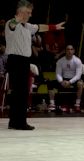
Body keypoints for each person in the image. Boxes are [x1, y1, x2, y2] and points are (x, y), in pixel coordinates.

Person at [5, 0, 65, 130]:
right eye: (28, 12)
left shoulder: (28, 26)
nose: (30, 15)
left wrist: (55, 27)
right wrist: (18, 18)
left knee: (20, 92)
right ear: (21, 12)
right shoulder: (11, 22)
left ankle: (14, 121)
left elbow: (40, 27)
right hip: (16, 60)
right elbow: (12, 25)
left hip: (24, 61)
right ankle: (19, 122)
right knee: (20, 92)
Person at [47, 45, 83, 113]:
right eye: (68, 49)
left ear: (73, 51)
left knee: (80, 84)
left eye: (71, 49)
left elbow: (78, 75)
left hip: (74, 80)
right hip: (63, 80)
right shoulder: (60, 61)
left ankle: (77, 104)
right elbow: (58, 73)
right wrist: (61, 81)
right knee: (50, 83)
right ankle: (52, 104)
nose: (69, 51)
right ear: (65, 51)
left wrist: (70, 82)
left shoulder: (77, 61)